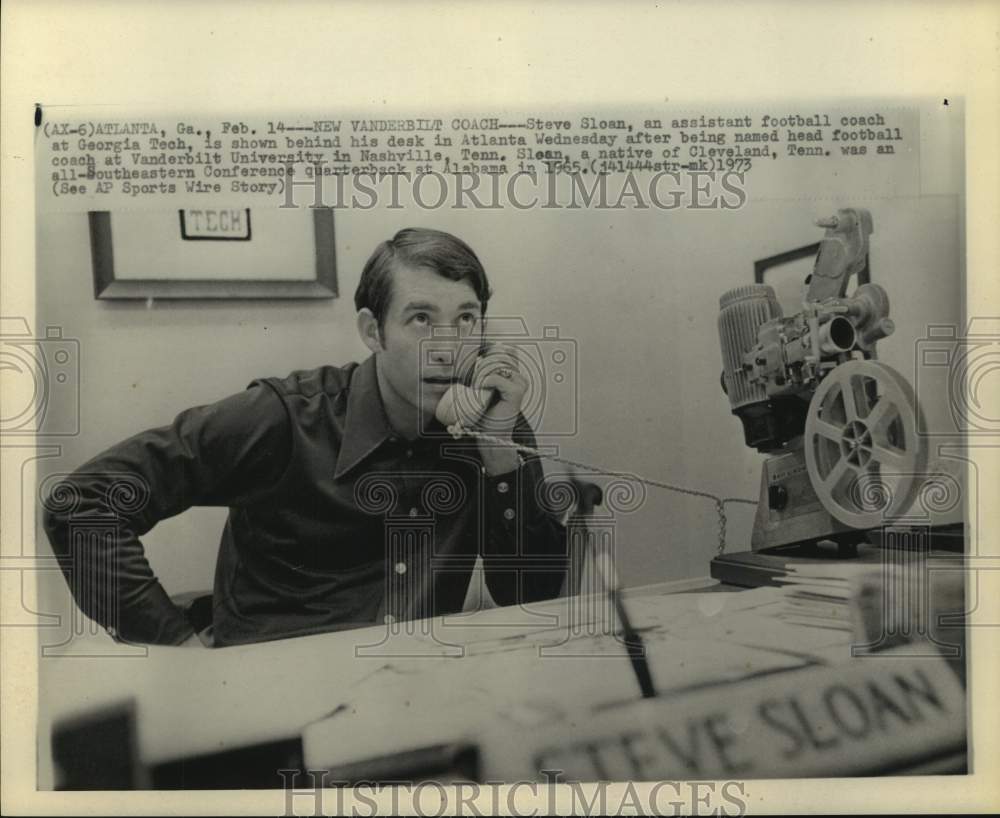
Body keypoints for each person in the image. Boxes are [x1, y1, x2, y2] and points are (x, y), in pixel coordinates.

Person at [43, 228, 569, 647]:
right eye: (421, 319)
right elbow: (81, 503)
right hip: (273, 695)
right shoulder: (285, 418)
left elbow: (531, 592)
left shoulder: (492, 424)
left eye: (466, 319)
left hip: (414, 689)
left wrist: (501, 455)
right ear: (372, 330)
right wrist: (180, 650)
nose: (448, 349)